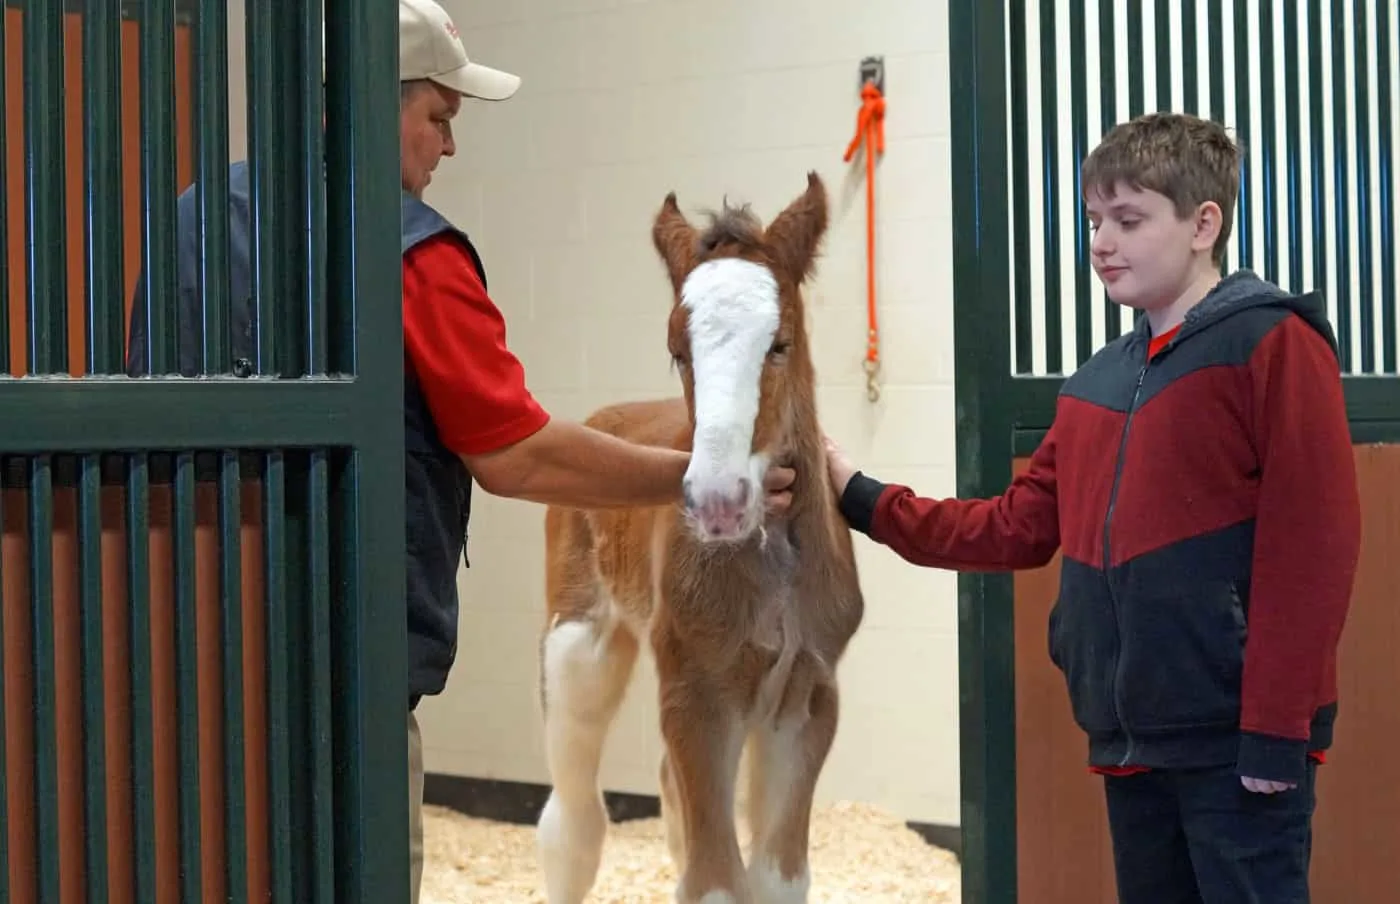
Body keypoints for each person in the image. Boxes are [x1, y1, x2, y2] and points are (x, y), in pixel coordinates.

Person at [123, 1, 796, 900]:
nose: (449, 147)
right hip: (347, 650)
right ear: (374, 102)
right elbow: (515, 451)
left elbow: (144, 403)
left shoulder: (197, 216)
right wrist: (697, 477)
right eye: (438, 117)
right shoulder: (415, 255)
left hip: (190, 632)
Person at [823, 111, 1361, 904]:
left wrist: (1275, 733)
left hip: (1236, 749)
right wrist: (858, 497)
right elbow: (1011, 527)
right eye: (1094, 220)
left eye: (1130, 219)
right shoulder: (1094, 385)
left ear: (1204, 223)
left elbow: (1313, 547)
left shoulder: (1273, 344)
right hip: (1131, 743)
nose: (1102, 241)